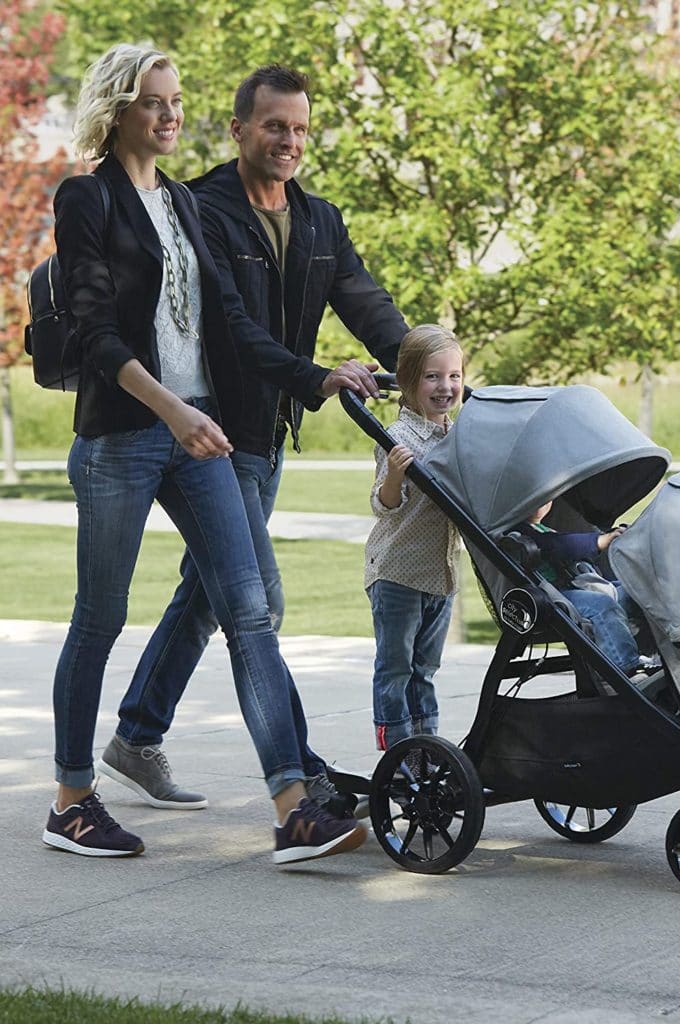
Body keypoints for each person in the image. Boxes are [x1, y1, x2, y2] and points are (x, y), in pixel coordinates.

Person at [43, 44, 364, 864]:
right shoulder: (87, 199)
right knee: (100, 618)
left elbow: (228, 321)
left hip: (199, 434)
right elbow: (94, 329)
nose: (170, 115)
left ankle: (294, 807)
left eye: (175, 100)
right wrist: (173, 409)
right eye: (155, 102)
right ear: (120, 110)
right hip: (124, 434)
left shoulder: (184, 203)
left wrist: (314, 375)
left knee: (249, 610)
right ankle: (73, 799)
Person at [98, 64, 409, 816]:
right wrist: (316, 376)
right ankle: (304, 778)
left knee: (210, 592)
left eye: (300, 128)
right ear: (239, 129)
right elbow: (231, 333)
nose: (289, 141)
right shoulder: (200, 210)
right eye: (275, 126)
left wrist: (422, 361)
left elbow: (363, 299)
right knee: (255, 599)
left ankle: (136, 735)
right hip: (211, 432)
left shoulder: (318, 220)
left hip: (266, 436)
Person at [364, 324, 463, 750]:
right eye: (433, 377)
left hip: (441, 575)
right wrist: (396, 475)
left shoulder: (459, 435)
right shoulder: (396, 439)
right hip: (398, 573)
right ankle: (397, 753)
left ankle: (427, 750)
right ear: (407, 382)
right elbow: (384, 505)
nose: (446, 387)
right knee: (396, 668)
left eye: (454, 376)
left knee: (425, 668)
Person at [517, 504, 652, 676]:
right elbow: (555, 546)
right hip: (549, 596)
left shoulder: (541, 528)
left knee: (634, 591)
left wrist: (610, 535)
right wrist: (598, 541)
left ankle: (650, 654)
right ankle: (625, 668)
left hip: (572, 586)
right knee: (602, 606)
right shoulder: (518, 531)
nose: (541, 504)